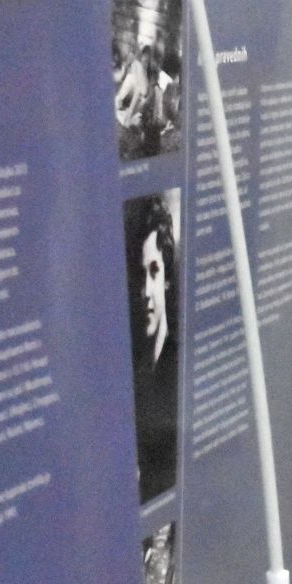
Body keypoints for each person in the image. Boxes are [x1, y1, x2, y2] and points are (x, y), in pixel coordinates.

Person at [128, 194, 181, 503]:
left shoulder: (180, 369)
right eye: (139, 275)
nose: (146, 291)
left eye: (154, 271)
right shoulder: (129, 376)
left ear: (167, 277)